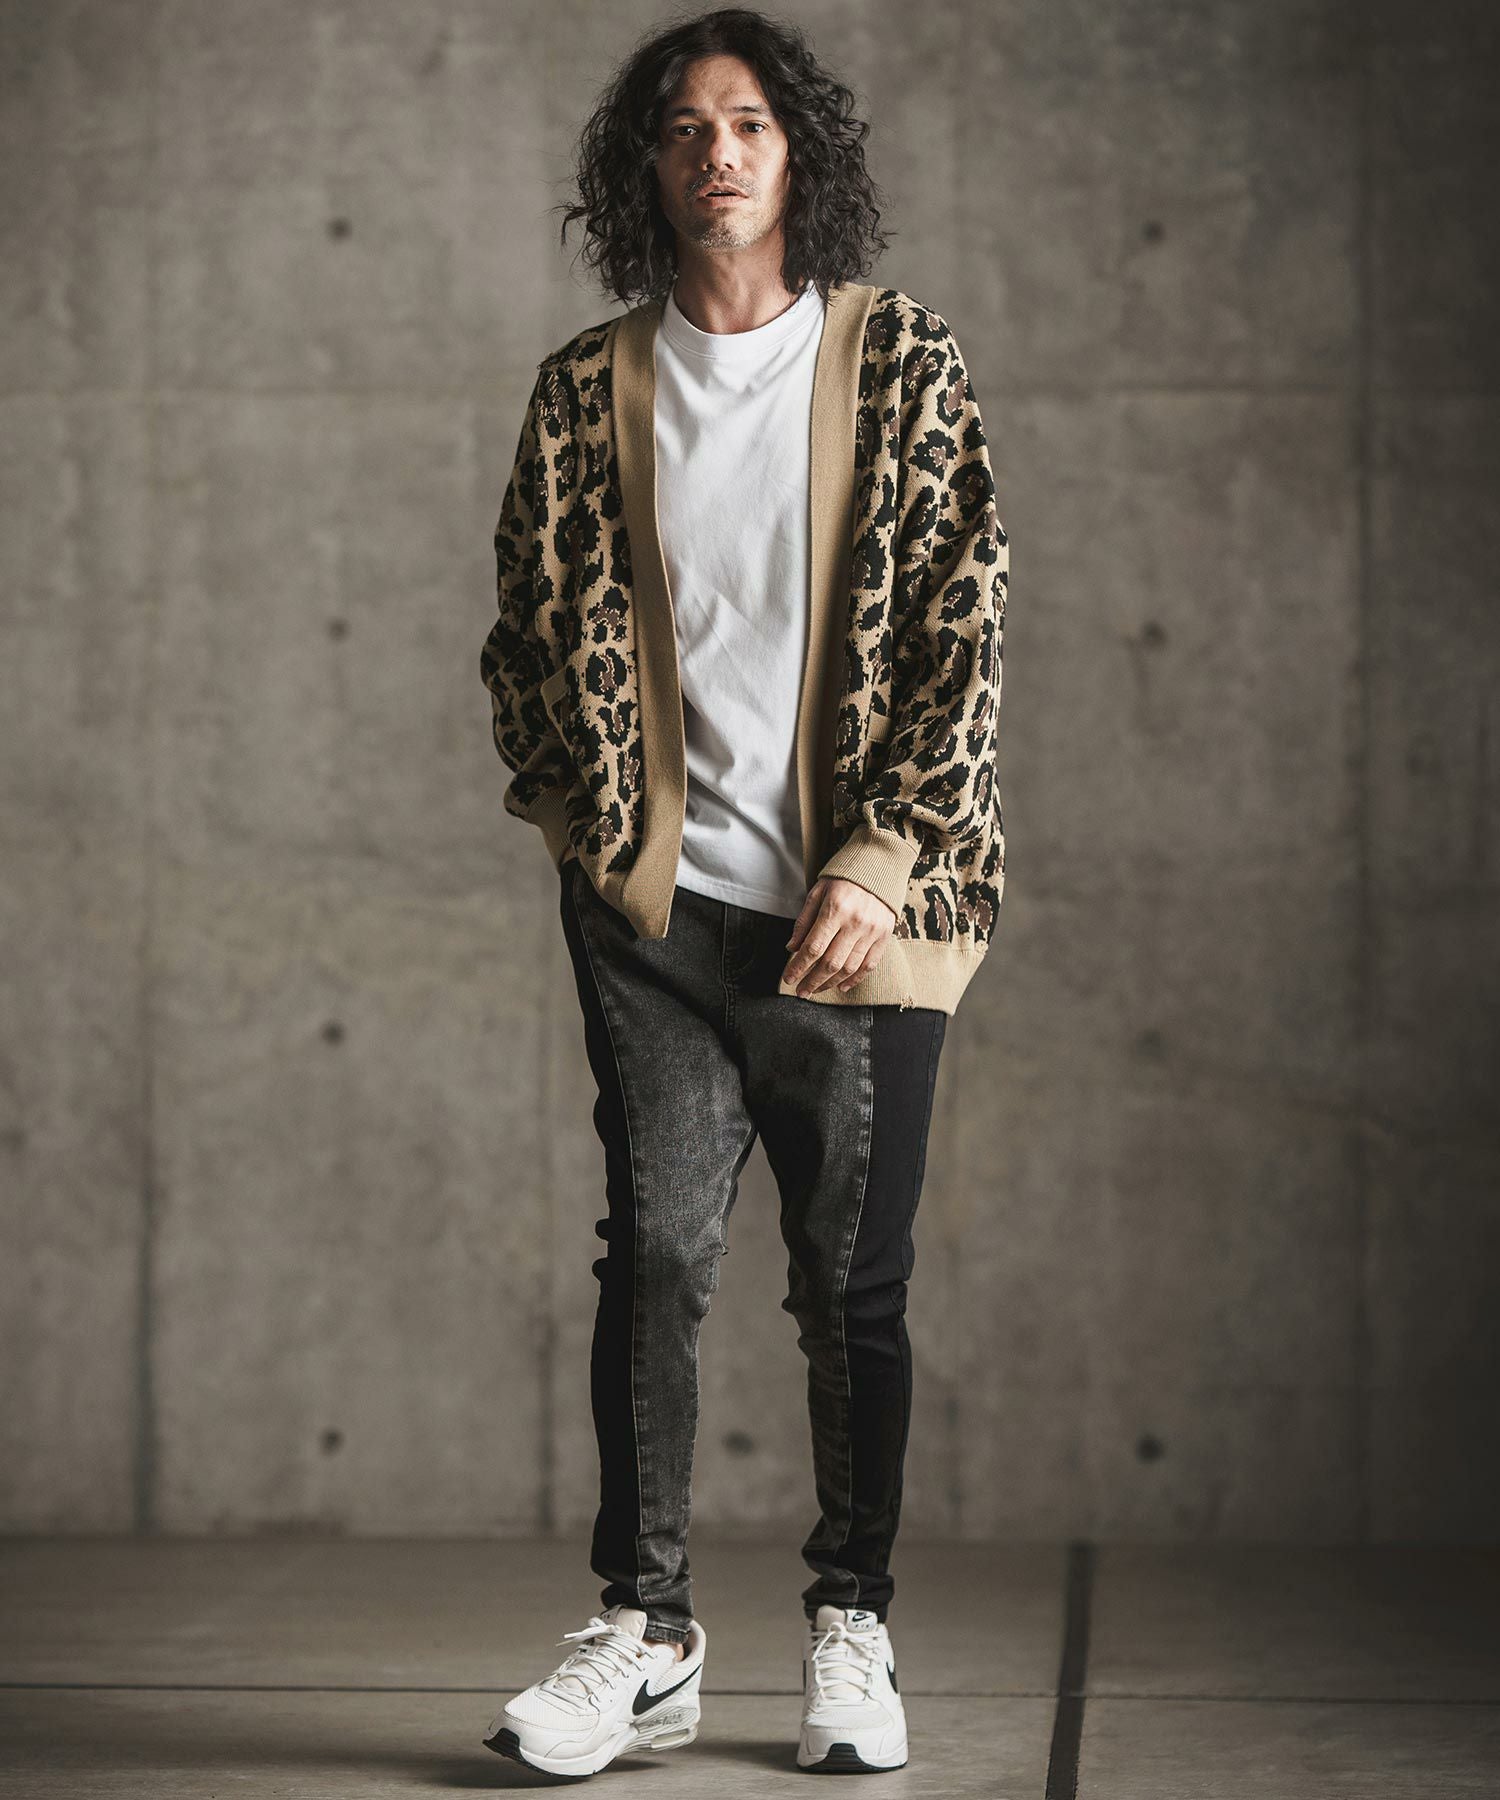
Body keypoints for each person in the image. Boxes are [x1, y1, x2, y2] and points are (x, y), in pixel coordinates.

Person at [478, 6, 1007, 1779]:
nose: (718, 152)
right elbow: (523, 644)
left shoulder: (901, 360)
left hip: (859, 921)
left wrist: (883, 861)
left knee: (849, 1283)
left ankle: (851, 1624)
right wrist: (597, 845)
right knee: (657, 1256)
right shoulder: (587, 389)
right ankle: (645, 1636)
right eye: (686, 127)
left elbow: (963, 630)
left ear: (800, 155)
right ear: (645, 165)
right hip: (658, 924)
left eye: (752, 124)